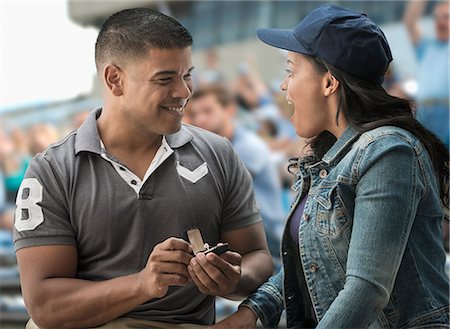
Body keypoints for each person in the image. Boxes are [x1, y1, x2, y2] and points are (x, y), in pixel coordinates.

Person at [13, 8, 273, 329]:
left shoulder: (218, 153)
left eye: (187, 74)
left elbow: (258, 258)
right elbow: (45, 307)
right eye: (165, 78)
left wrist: (232, 279)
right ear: (114, 80)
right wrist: (143, 284)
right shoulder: (51, 171)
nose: (184, 91)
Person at [211, 4, 450, 329]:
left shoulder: (389, 152)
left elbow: (366, 289)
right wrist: (251, 311)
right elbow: (310, 265)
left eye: (291, 71)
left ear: (329, 83)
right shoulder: (321, 158)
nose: (284, 86)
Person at [187, 85, 286, 261]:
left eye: (208, 111)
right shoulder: (213, 149)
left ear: (230, 110)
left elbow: (212, 190)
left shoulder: (247, 146)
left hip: (270, 250)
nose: (200, 119)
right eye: (194, 114)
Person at [404, 0, 449, 147]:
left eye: (446, 17)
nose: (440, 22)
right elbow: (410, 22)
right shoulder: (426, 46)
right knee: (427, 159)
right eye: (437, 18)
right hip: (425, 114)